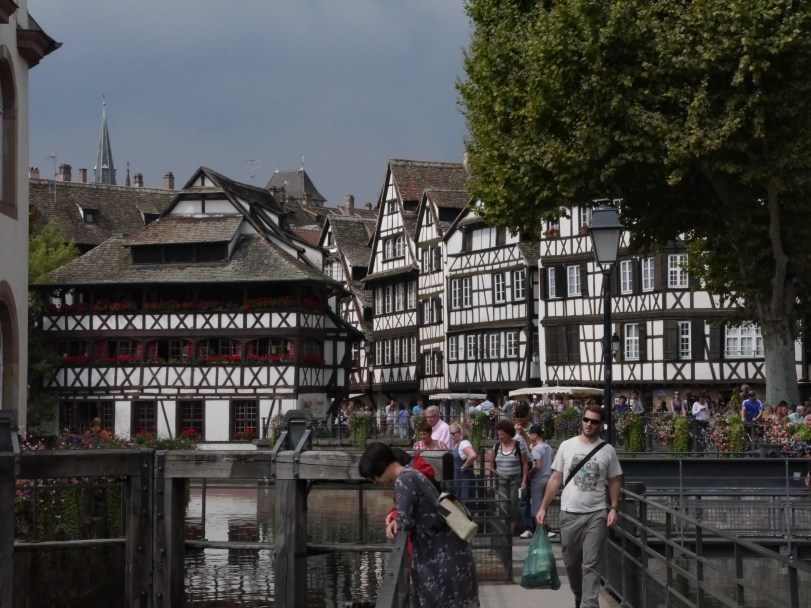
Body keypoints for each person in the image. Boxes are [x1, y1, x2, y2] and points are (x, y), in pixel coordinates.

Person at [359, 442, 480, 608]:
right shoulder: (412, 473)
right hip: (451, 550)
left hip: (437, 557)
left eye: (373, 477)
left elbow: (406, 522)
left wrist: (393, 523)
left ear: (379, 468)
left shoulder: (403, 480)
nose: (375, 481)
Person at [537, 404, 622, 608]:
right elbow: (556, 479)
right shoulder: (567, 446)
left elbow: (615, 479)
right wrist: (543, 507)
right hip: (569, 513)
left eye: (594, 421)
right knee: (572, 563)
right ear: (581, 420)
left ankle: (589, 603)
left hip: (596, 514)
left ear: (601, 425)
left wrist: (613, 507)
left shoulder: (607, 450)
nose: (589, 424)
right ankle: (579, 594)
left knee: (591, 564)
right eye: (586, 420)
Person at [490, 419, 528, 536]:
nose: (500, 436)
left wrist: (524, 480)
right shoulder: (496, 447)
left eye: (502, 434)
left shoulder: (518, 445)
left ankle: (509, 533)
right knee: (502, 506)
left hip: (515, 480)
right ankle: (502, 532)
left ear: (508, 433)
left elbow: (525, 463)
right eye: (498, 434)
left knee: (513, 506)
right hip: (501, 480)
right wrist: (492, 480)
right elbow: (492, 465)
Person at [526, 423, 555, 540]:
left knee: (537, 507)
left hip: (538, 480)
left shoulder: (536, 449)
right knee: (545, 505)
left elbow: (538, 466)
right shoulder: (549, 448)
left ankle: (539, 532)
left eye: (530, 434)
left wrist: (530, 473)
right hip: (549, 479)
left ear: (535, 435)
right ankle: (544, 529)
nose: (529, 437)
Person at [450, 422, 477, 500]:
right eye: (450, 434)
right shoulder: (457, 444)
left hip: (465, 480)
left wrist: (464, 466)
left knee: (465, 503)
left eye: (453, 433)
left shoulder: (464, 443)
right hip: (459, 479)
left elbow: (472, 455)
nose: (451, 436)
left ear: (460, 432)